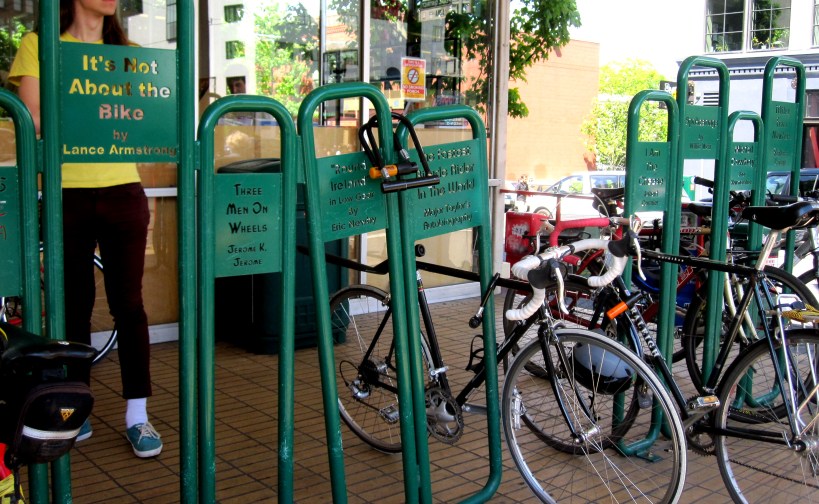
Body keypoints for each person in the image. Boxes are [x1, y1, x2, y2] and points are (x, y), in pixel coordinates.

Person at [8, 0, 162, 458]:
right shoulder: (40, 45)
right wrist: (98, 112)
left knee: (129, 306)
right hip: (65, 192)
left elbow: (144, 119)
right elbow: (31, 118)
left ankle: (138, 415)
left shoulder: (130, 55)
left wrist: (83, 113)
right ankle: (77, 405)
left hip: (123, 190)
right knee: (73, 306)